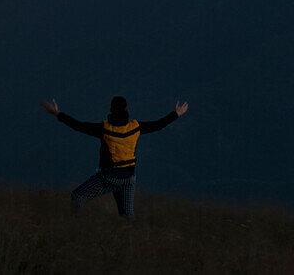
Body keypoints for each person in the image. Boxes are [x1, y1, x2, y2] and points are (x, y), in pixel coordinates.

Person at [41, 94, 189, 221]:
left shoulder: (104, 129)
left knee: (78, 197)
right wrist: (176, 114)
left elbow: (79, 126)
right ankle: (132, 242)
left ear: (111, 111)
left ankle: (75, 225)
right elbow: (158, 125)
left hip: (110, 177)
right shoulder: (136, 127)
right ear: (127, 110)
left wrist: (57, 113)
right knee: (127, 216)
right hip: (130, 177)